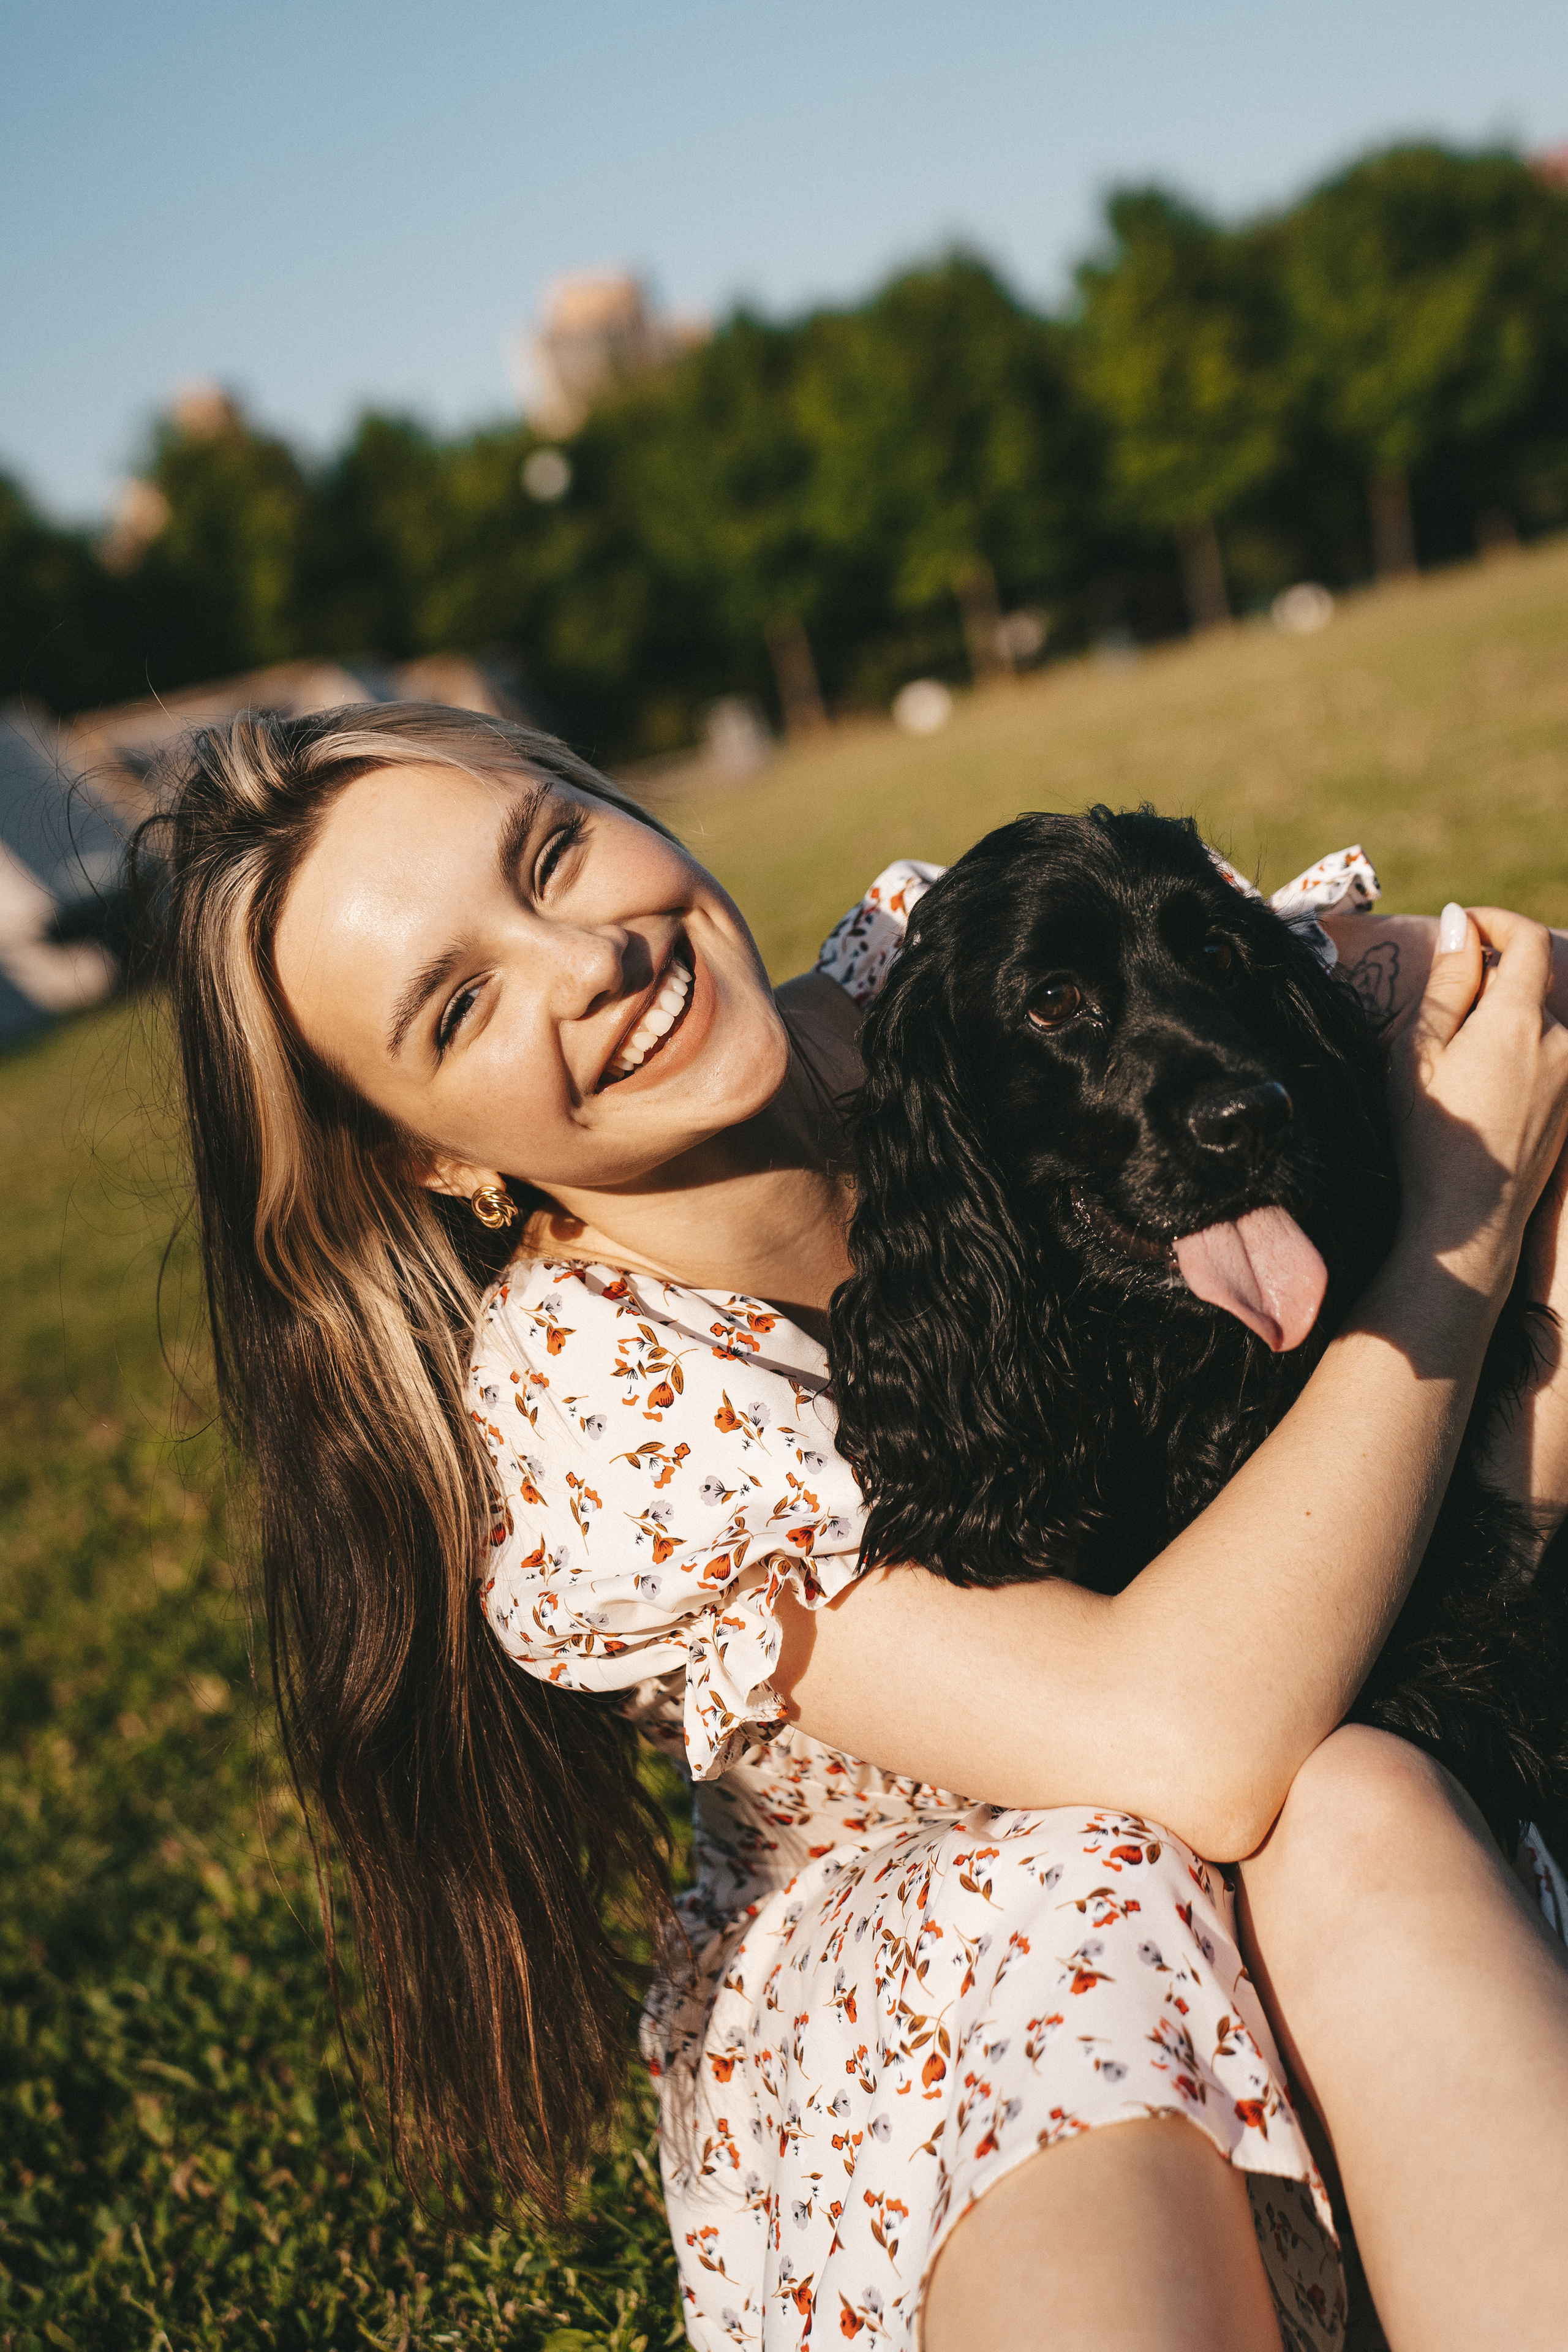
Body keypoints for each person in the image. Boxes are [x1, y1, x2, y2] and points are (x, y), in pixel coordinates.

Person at [148, 700, 1568, 2352]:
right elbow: (1179, 1743)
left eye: (552, 855)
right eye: (461, 1005)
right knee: (1095, 1889)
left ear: (625, 803)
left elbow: (1490, 1005)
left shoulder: (940, 968)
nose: (583, 961)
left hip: (1325, 1772)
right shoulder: (589, 1389)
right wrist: (1462, 1231)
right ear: (423, 1157)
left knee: (1366, 1795)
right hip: (964, 1961)